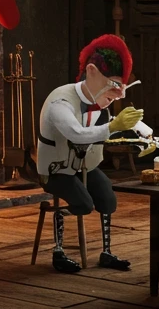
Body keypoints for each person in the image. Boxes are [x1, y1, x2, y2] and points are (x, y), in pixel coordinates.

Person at [35, 34, 151, 273]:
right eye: (114, 86)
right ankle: (59, 250)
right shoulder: (61, 102)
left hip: (83, 167)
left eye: (122, 87)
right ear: (91, 71)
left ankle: (106, 252)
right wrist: (114, 126)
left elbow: (106, 130)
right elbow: (76, 133)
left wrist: (144, 136)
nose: (118, 95)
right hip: (57, 170)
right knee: (84, 204)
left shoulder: (101, 105)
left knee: (107, 199)